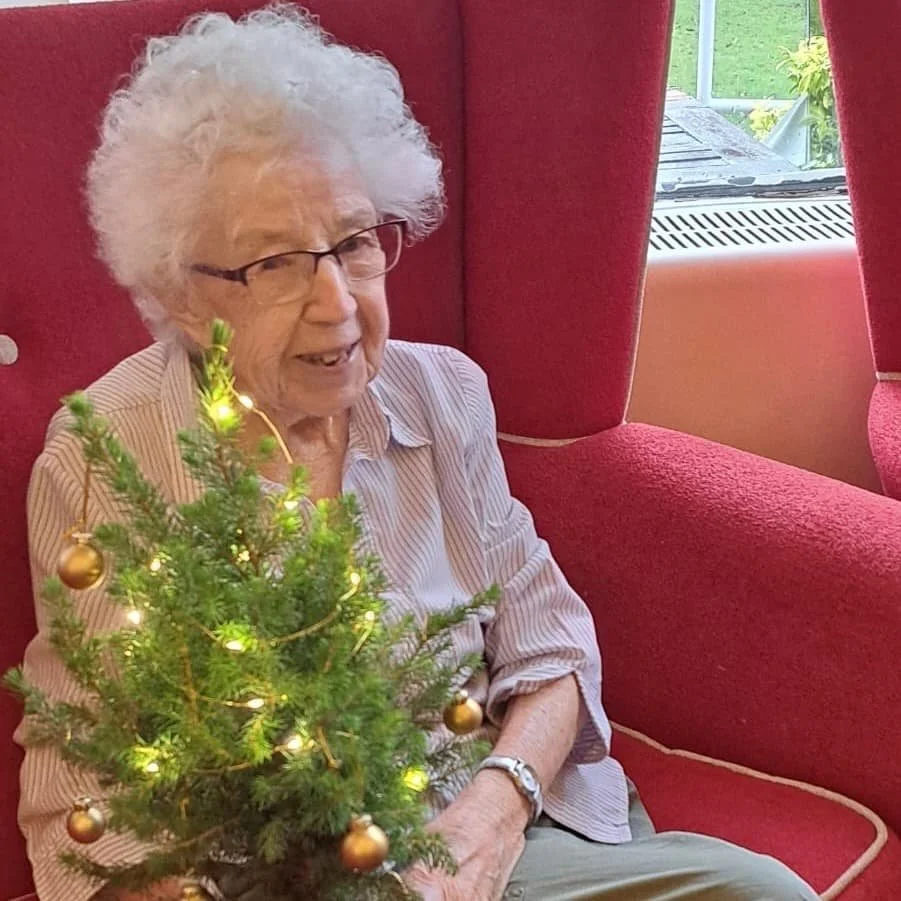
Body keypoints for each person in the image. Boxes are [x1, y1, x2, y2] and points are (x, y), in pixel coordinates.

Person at [17, 7, 818, 901]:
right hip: (268, 870)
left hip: (486, 830)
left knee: (760, 891)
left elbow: (551, 653)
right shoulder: (107, 451)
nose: (340, 306)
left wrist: (491, 812)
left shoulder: (441, 396)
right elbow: (80, 775)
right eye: (275, 264)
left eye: (355, 243)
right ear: (175, 289)